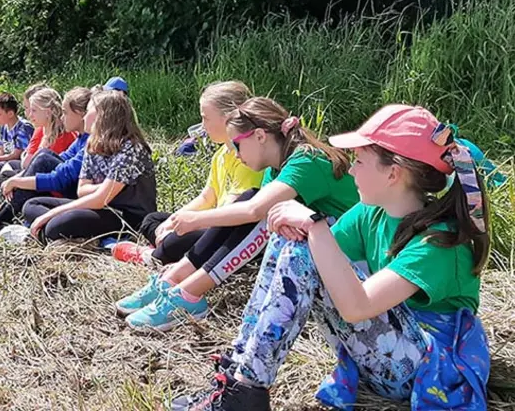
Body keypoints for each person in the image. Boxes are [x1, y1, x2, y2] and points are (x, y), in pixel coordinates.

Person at [171, 105, 491, 411]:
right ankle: (238, 372)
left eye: (360, 162)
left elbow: (357, 308)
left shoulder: (440, 242)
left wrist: (314, 225)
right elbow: (314, 261)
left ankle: (247, 390)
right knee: (293, 241)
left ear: (393, 173)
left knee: (304, 243)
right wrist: (302, 228)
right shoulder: (372, 213)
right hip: (385, 353)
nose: (350, 169)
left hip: (424, 372)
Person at [120, 97, 358, 331]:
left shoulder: (307, 161)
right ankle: (173, 279)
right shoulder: (276, 168)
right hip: (323, 249)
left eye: (236, 144)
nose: (234, 153)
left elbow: (255, 211)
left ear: (260, 136)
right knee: (252, 199)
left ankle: (189, 294)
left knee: (261, 212)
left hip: (351, 261)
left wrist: (195, 220)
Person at [113, 81, 263, 266]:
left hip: (229, 228)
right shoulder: (221, 155)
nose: (202, 125)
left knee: (177, 240)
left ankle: (152, 256)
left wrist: (189, 225)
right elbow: (206, 198)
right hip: (211, 220)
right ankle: (163, 251)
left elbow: (230, 213)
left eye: (205, 118)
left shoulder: (248, 158)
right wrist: (174, 221)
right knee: (152, 220)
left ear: (228, 118)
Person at [22, 90, 156, 244]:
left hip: (125, 215)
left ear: (104, 115)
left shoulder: (131, 149)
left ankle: (51, 232)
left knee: (56, 225)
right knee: (31, 205)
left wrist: (49, 215)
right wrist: (106, 186)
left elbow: (100, 199)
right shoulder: (93, 144)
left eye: (89, 111)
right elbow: (82, 190)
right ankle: (55, 234)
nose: (84, 117)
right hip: (100, 206)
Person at [0, 87, 91, 228]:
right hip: (62, 185)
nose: (62, 117)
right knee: (39, 160)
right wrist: (17, 180)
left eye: (65, 113)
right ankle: (2, 216)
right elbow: (58, 159)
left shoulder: (88, 142)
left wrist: (17, 181)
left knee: (31, 203)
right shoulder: (81, 138)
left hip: (71, 194)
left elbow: (58, 177)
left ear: (81, 115)